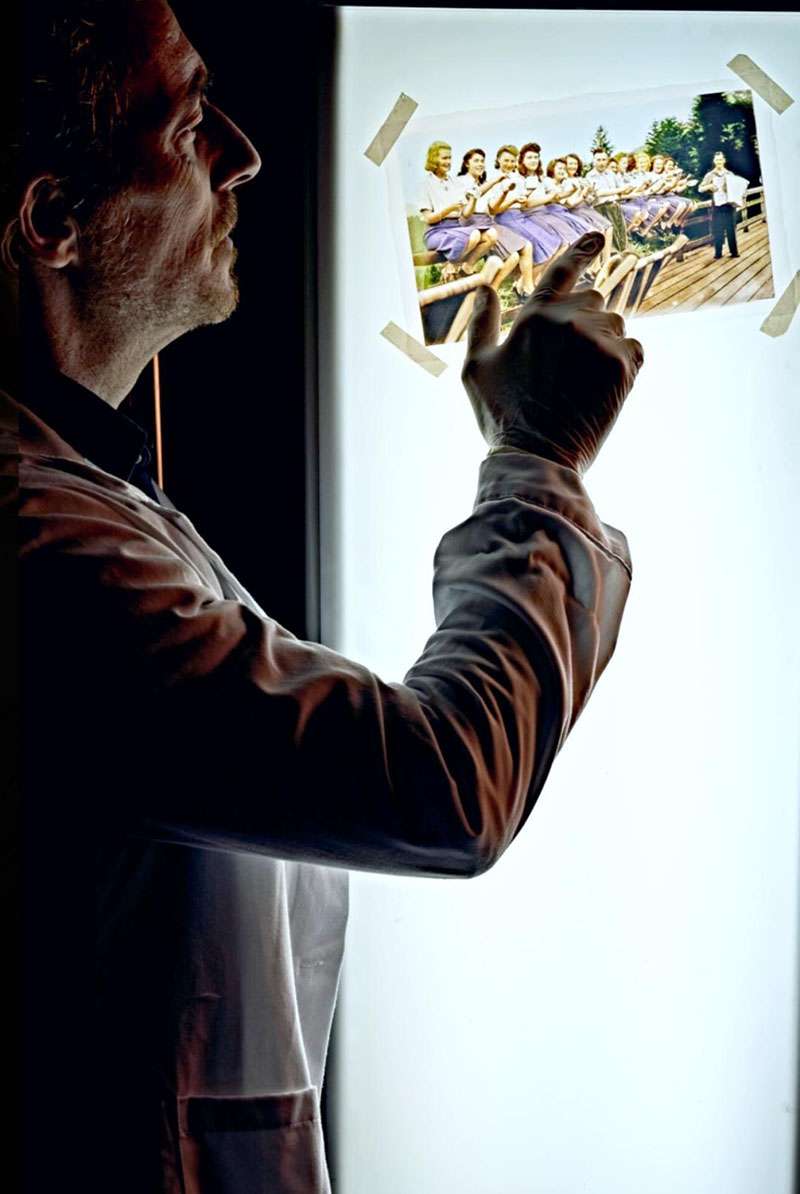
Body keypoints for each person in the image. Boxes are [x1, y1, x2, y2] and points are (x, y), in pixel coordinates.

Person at [2, 3, 643, 1190]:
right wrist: (538, 457)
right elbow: (439, 787)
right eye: (188, 122)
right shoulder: (39, 547)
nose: (243, 155)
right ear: (53, 220)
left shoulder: (84, 485)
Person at [456, 147, 536, 297]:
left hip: (488, 220)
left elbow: (491, 208)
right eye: (476, 161)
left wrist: (510, 196)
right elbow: (469, 206)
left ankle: (520, 289)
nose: (480, 164)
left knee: (521, 251)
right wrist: (503, 189)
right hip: (475, 222)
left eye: (482, 161)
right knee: (514, 255)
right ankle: (492, 291)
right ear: (466, 163)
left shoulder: (484, 180)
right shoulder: (463, 181)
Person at [419, 141, 498, 281]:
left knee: (491, 235)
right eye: (444, 158)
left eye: (449, 158)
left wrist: (473, 199)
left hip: (457, 227)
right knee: (474, 235)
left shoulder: (454, 182)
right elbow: (428, 218)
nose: (448, 162)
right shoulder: (426, 184)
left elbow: (466, 214)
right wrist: (450, 208)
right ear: (433, 159)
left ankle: (464, 268)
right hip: (437, 231)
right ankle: (452, 266)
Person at [698, 150, 747, 259]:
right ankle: (718, 253)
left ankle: (734, 252)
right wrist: (709, 186)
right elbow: (700, 188)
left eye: (720, 159)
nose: (719, 161)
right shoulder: (710, 175)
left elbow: (738, 189)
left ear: (724, 160)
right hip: (717, 205)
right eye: (717, 160)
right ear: (714, 161)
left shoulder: (730, 174)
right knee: (717, 229)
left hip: (729, 205)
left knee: (731, 229)